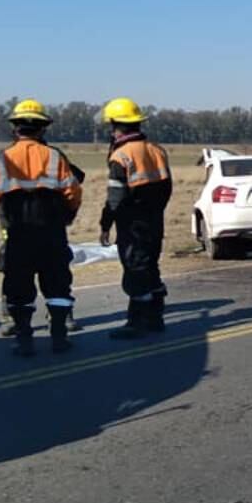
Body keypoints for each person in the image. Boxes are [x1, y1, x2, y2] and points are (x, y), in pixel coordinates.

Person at [0, 99, 83, 356]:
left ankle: (24, 339)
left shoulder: (2, 159)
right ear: (42, 129)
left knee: (19, 289)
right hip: (52, 235)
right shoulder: (55, 156)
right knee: (57, 287)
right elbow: (73, 192)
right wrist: (68, 216)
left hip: (18, 236)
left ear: (15, 129)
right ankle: (59, 336)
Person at [99, 97, 173, 339]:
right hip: (154, 221)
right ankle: (155, 317)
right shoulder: (157, 150)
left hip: (132, 225)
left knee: (136, 271)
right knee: (151, 266)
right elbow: (167, 188)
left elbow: (115, 199)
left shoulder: (121, 156)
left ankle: (137, 322)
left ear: (115, 124)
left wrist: (105, 224)